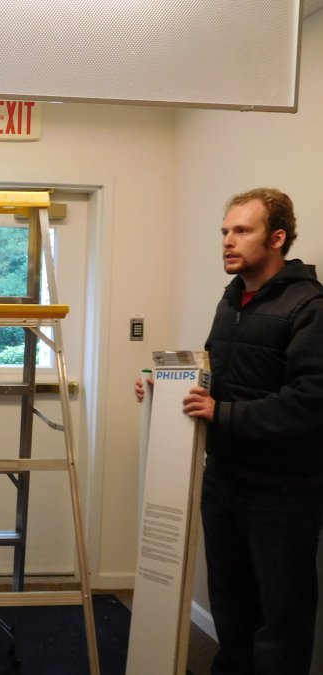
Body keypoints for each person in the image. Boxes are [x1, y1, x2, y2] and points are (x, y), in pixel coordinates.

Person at [135, 188, 323, 675]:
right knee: (231, 613)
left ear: (277, 237)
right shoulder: (232, 299)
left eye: (243, 230)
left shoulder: (310, 306)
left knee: (281, 625)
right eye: (225, 231)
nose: (228, 241)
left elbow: (310, 400)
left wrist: (223, 414)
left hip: (282, 494)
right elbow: (222, 375)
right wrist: (167, 386)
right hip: (222, 482)